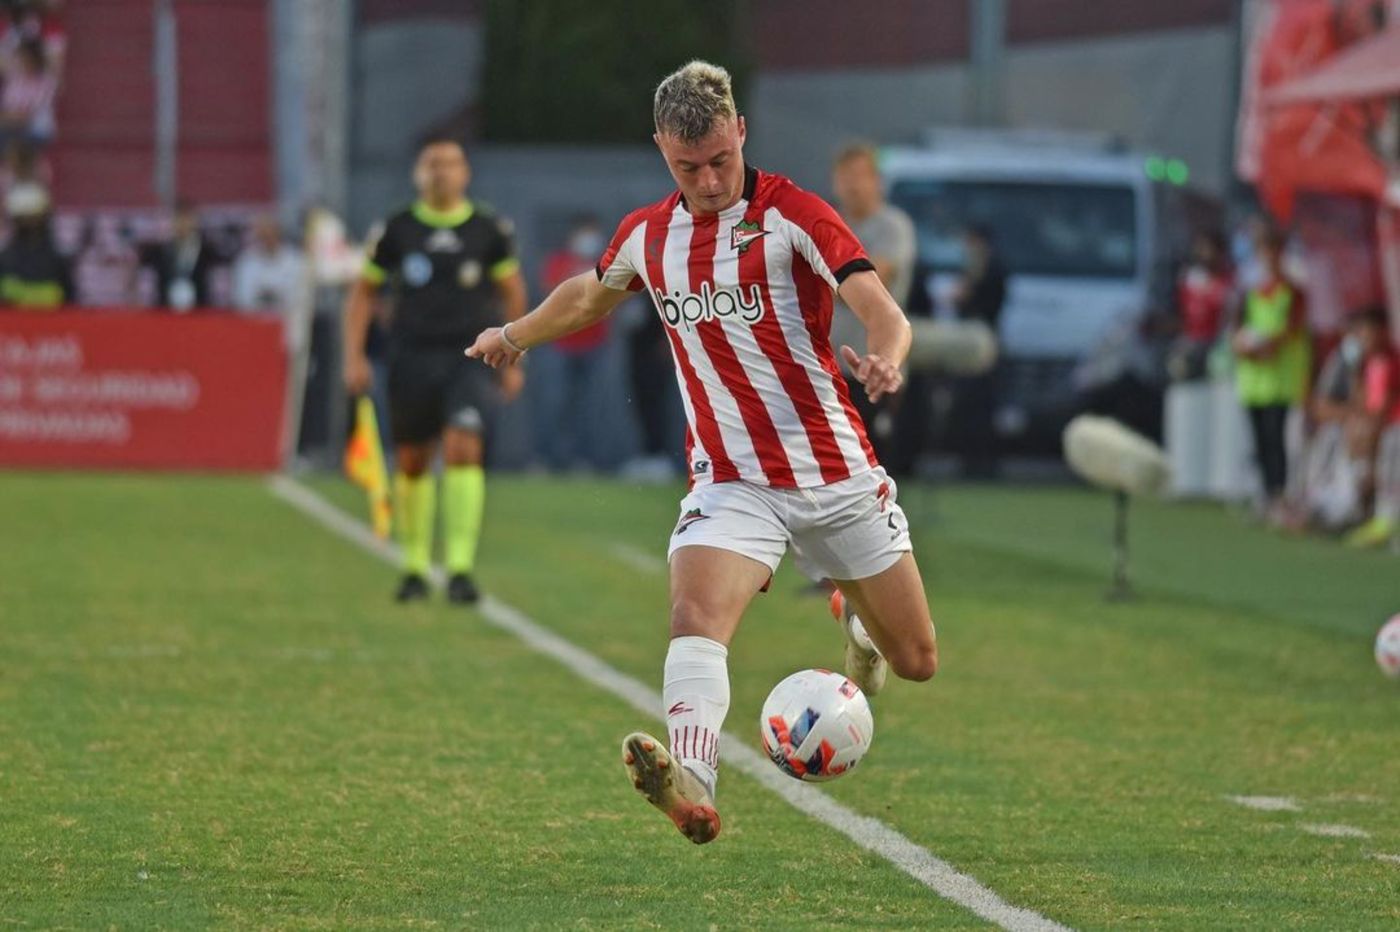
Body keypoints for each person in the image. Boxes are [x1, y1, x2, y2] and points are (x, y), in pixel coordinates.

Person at [466, 61, 937, 845]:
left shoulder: (794, 215)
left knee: (916, 658)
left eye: (721, 159)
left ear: (741, 132)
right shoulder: (650, 236)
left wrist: (887, 354)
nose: (711, 179)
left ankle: (857, 630)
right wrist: (513, 336)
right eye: (690, 166)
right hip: (732, 479)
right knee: (695, 615)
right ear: (661, 150)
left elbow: (877, 305)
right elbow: (589, 294)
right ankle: (692, 783)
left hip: (834, 470)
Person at [343, 136, 527, 605]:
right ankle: (415, 567)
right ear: (418, 174)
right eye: (432, 164)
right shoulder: (397, 229)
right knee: (413, 458)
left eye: (450, 163)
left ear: (465, 173)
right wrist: (354, 354)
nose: (441, 172)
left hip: (469, 358)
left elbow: (511, 292)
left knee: (465, 443)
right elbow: (364, 293)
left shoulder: (488, 229)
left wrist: (514, 353)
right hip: (410, 356)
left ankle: (461, 568)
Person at [829, 142, 918, 474]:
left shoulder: (892, 226)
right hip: (829, 364)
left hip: (875, 365)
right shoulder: (828, 222)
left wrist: (822, 281)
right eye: (844, 177)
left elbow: (869, 284)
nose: (851, 185)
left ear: (876, 181)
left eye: (859, 176)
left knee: (871, 464)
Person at [1232, 228, 1309, 515]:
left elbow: (1291, 329)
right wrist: (1241, 346)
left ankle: (1279, 495)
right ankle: (1265, 493)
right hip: (1253, 380)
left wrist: (1265, 346)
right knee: (1260, 440)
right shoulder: (1250, 291)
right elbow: (1236, 327)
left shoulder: (1292, 291)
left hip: (1281, 380)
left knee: (1277, 439)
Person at [536, 215, 612, 471]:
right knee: (555, 403)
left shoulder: (604, 263)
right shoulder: (559, 262)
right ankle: (547, 459)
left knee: (590, 406)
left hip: (593, 344)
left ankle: (584, 460)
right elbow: (551, 295)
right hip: (560, 343)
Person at [949, 224, 1007, 477]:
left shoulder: (990, 270)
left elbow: (974, 302)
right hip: (973, 344)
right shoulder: (981, 269)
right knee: (972, 405)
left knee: (980, 405)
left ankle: (981, 461)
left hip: (979, 344)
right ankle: (973, 460)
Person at [1344, 307, 1400, 548]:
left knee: (1390, 475)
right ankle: (1377, 520)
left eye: (1367, 333)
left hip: (1393, 426)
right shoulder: (1368, 364)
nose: (1363, 339)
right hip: (1382, 427)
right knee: (1379, 474)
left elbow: (1386, 402)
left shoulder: (1392, 360)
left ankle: (1387, 523)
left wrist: (1370, 430)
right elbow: (1361, 401)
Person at [232, 212, 306, 348]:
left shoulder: (296, 262)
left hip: (288, 335)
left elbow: (299, 298)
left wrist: (274, 296)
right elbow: (242, 300)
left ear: (278, 232)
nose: (267, 238)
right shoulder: (246, 262)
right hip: (254, 333)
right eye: (263, 234)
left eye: (270, 233)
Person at [0, 180, 70, 308]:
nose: (30, 224)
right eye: (24, 219)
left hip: (54, 326)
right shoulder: (4, 260)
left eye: (33, 218)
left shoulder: (58, 259)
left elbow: (71, 305)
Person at [141, 199, 216, 311]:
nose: (182, 223)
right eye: (178, 218)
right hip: (165, 316)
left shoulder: (207, 251)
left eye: (186, 218)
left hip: (199, 315)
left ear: (194, 221)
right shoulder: (160, 251)